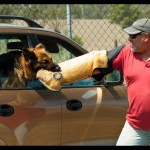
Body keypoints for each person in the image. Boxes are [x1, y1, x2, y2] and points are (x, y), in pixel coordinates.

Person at [109, 18, 150, 146]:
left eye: (133, 36)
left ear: (146, 37)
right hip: (136, 127)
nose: (129, 39)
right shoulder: (126, 53)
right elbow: (97, 64)